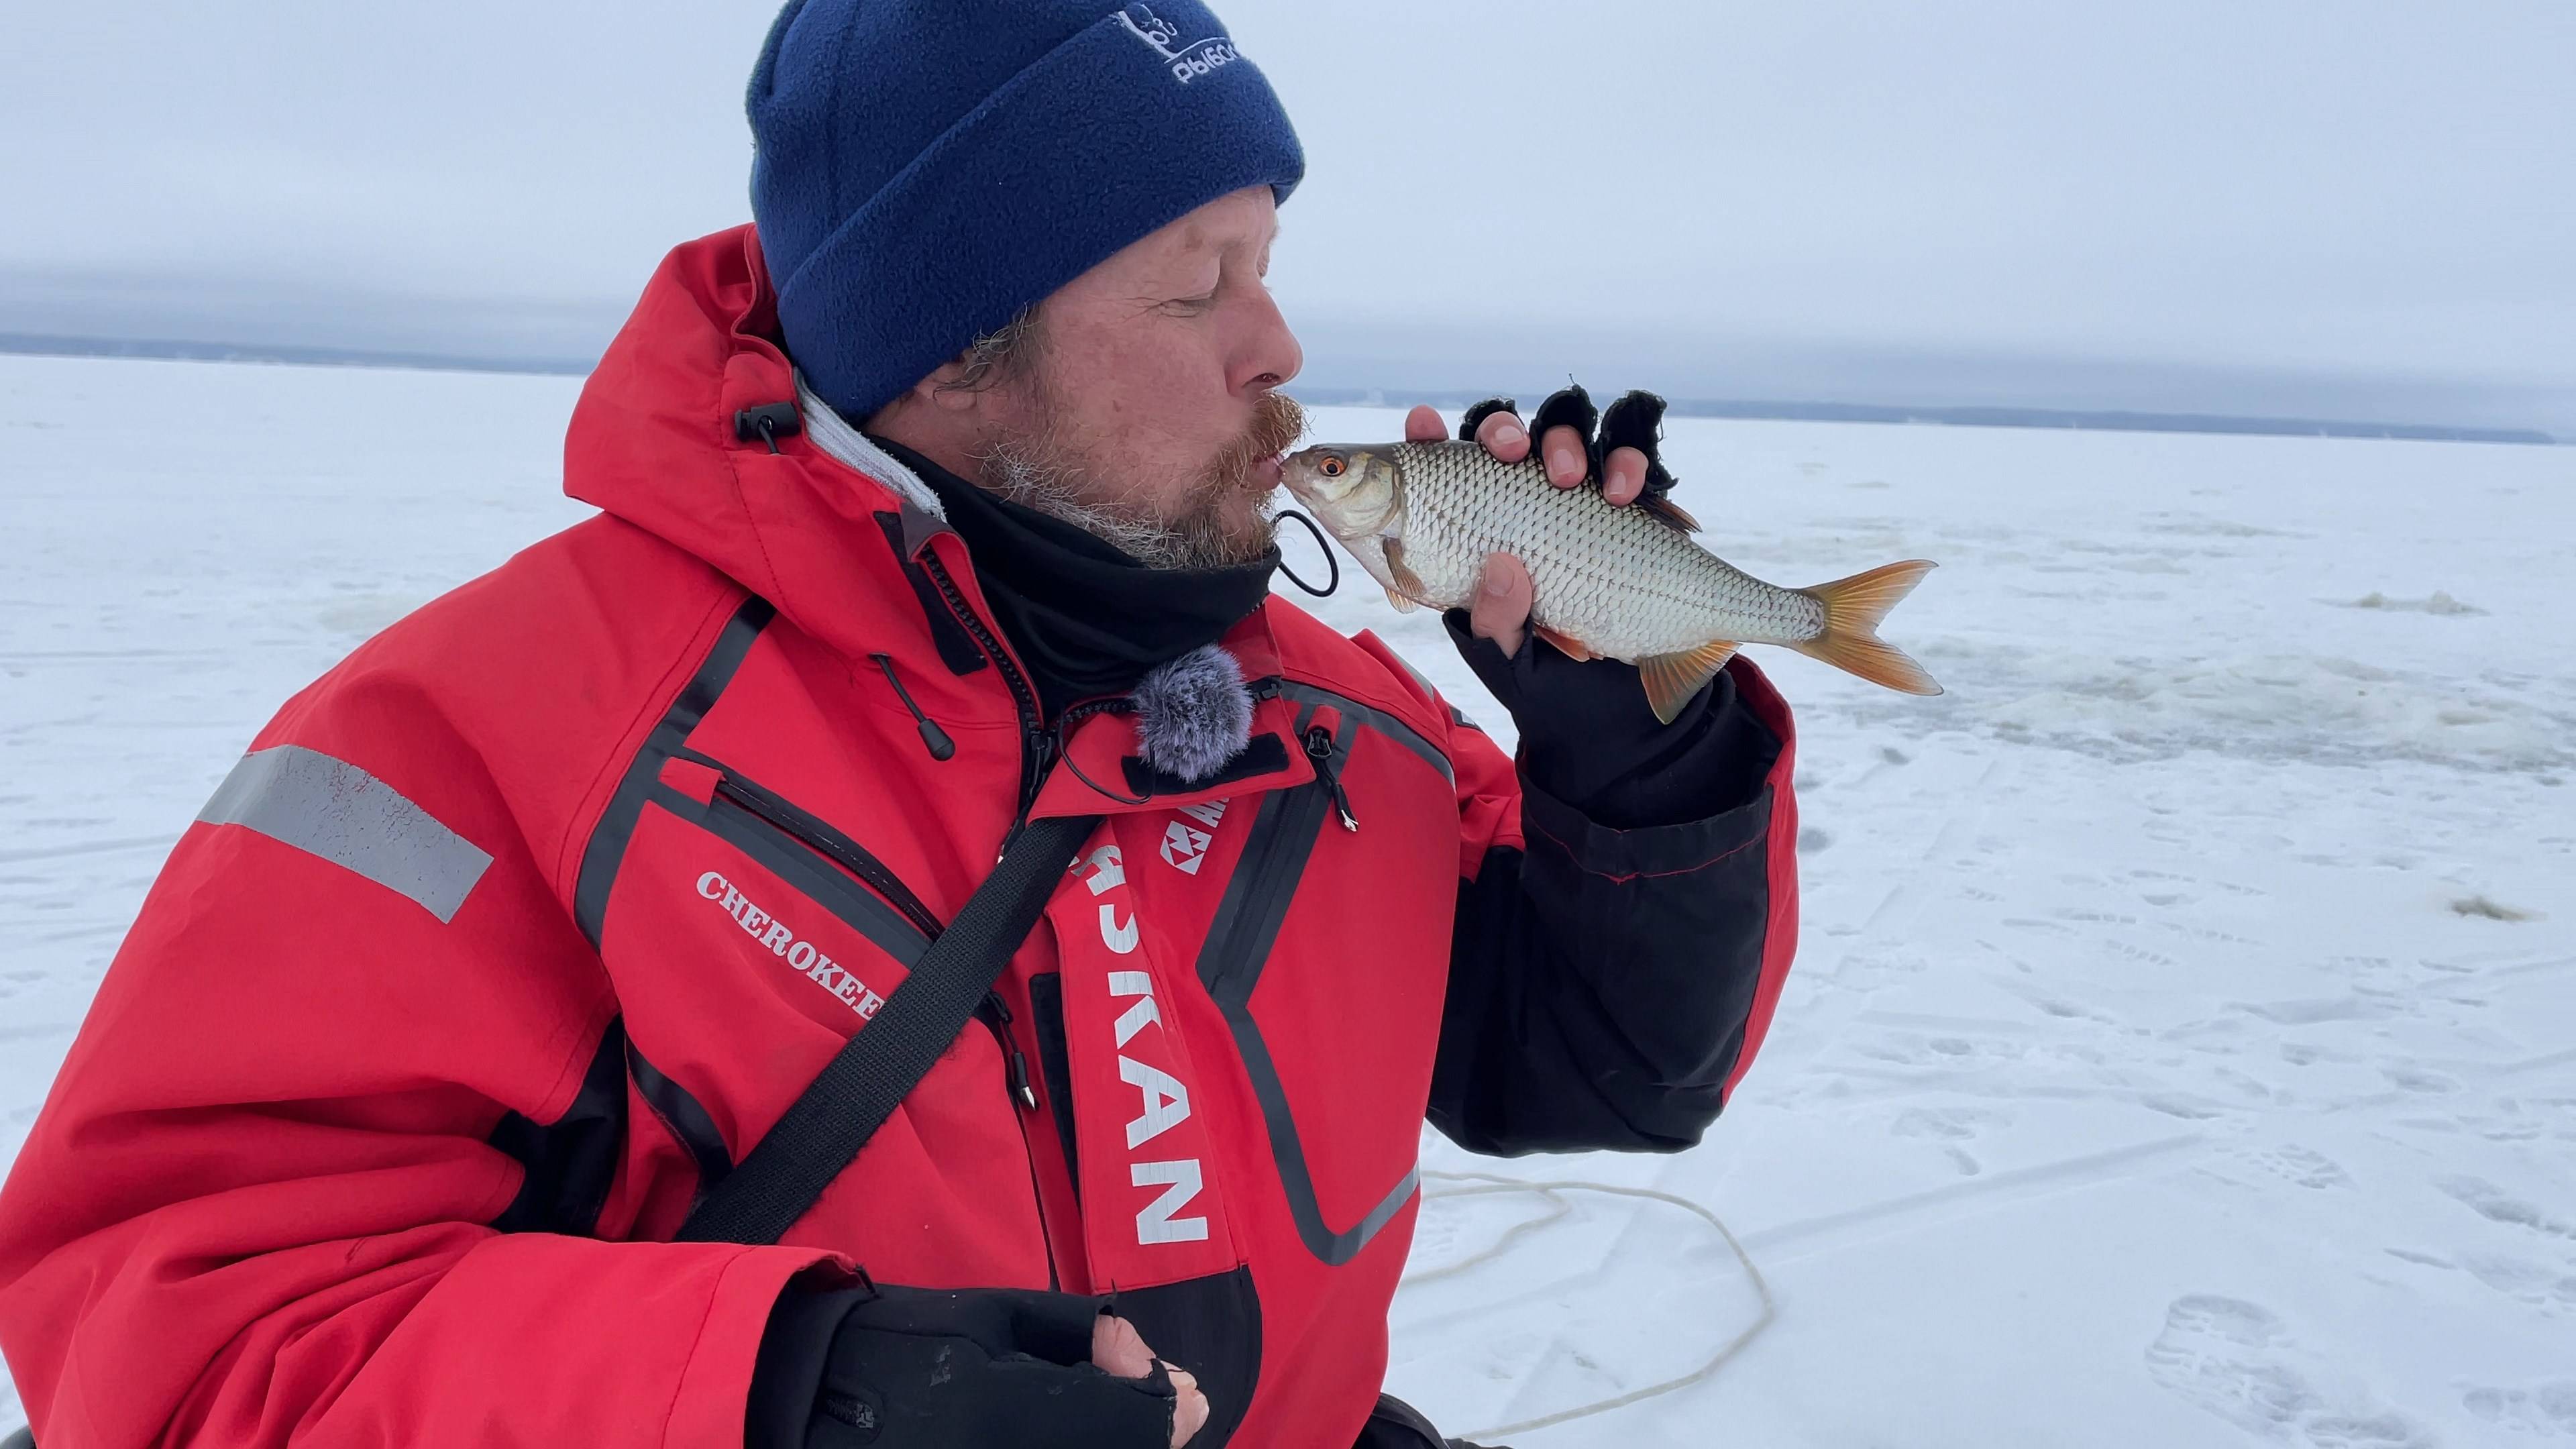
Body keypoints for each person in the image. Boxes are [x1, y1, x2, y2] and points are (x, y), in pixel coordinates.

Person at [0, 2, 1801, 1446]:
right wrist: (784, 1394)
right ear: (952, 349)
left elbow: (1612, 1073)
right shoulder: (498, 735)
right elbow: (175, 1345)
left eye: (1267, 263)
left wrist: (1647, 762)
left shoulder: (1346, 731)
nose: (1278, 347)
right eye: (1199, 281)